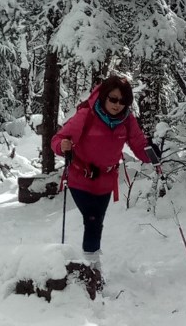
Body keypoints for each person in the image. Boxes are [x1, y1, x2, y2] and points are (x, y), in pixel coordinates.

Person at [51, 72, 159, 270]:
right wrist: (62, 146)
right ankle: (92, 269)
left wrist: (152, 154)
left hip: (105, 181)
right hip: (80, 178)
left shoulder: (126, 120)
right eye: (113, 99)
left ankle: (91, 266)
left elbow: (138, 143)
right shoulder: (87, 115)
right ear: (104, 97)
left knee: (97, 221)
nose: (117, 104)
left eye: (123, 101)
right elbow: (57, 139)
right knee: (91, 219)